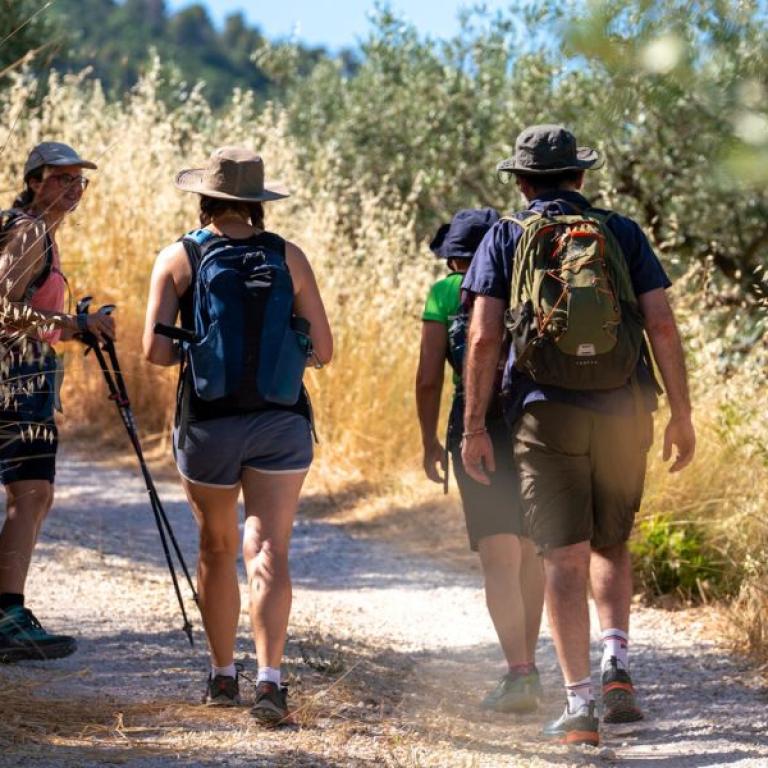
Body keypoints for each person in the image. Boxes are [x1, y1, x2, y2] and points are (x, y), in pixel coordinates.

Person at [460, 125, 695, 745]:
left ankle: (579, 706)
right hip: (624, 408)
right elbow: (662, 327)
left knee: (561, 554)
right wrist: (682, 413)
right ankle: (617, 667)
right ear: (581, 178)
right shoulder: (620, 232)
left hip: (545, 411)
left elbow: (483, 337)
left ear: (522, 180)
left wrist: (475, 425)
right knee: (611, 542)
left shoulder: (504, 237)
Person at [143, 147, 332, 723]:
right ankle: (271, 681)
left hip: (209, 422)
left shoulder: (178, 256)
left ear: (205, 197)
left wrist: (202, 346)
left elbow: (154, 351)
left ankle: (224, 677)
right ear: (257, 201)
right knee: (269, 547)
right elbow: (324, 350)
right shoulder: (288, 256)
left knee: (217, 548)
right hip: (281, 420)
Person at [415, 208, 545, 713]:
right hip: (534, 426)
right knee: (532, 550)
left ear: (451, 256)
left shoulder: (445, 294)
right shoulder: (526, 282)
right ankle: (529, 664)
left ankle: (521, 673)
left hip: (475, 430)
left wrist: (429, 441)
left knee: (499, 553)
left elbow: (428, 376)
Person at [0, 142, 114, 661]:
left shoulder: (30, 228)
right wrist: (74, 325)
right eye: (61, 178)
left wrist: (70, 330)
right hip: (17, 378)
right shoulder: (30, 231)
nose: (72, 189)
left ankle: (10, 612)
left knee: (33, 494)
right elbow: (4, 308)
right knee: (32, 494)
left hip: (24, 375)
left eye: (78, 181)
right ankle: (9, 617)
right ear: (34, 180)